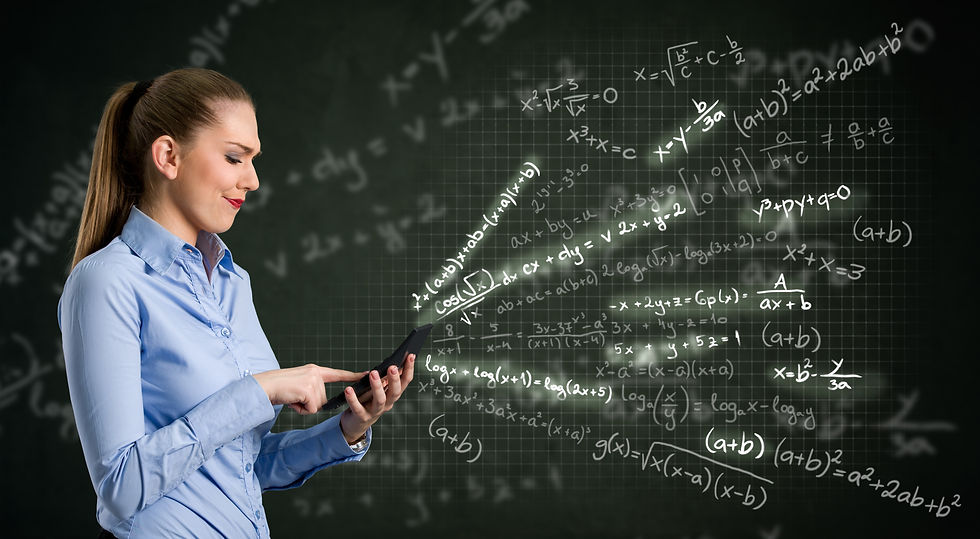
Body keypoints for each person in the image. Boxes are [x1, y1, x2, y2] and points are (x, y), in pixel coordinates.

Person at [57, 67, 415, 538]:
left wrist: (346, 429)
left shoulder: (230, 281)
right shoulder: (107, 282)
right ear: (168, 156)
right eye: (233, 158)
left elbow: (239, 464)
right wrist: (261, 391)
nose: (253, 180)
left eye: (253, 160)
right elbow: (120, 488)